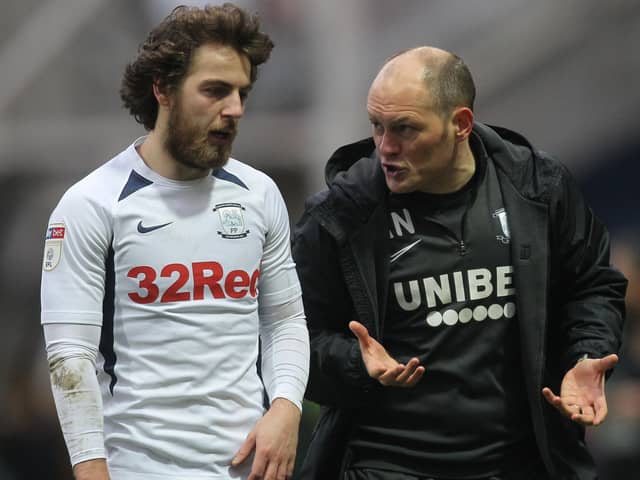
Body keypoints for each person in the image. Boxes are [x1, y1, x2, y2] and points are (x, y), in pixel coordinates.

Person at [292, 46, 627, 480]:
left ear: (460, 125)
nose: (386, 147)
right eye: (377, 126)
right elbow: (292, 343)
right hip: (388, 465)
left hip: (519, 463)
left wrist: (585, 354)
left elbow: (591, 285)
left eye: (405, 129)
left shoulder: (539, 191)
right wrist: (357, 364)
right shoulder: (341, 217)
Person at [40, 4, 309, 480]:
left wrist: (287, 409)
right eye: (215, 90)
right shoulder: (92, 205)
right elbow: (70, 357)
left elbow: (285, 320)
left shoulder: (260, 194)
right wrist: (90, 471)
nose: (235, 109)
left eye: (242, 92)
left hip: (249, 469)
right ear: (162, 89)